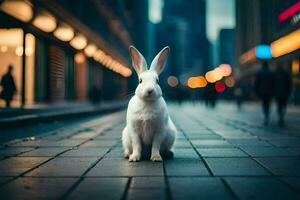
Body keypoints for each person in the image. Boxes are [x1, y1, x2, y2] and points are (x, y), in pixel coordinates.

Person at [254, 61, 275, 125]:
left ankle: (265, 117)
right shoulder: (271, 73)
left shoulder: (259, 73)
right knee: (268, 104)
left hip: (262, 92)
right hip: (269, 92)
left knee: (264, 104)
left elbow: (256, 83)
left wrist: (255, 91)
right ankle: (267, 115)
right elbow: (273, 83)